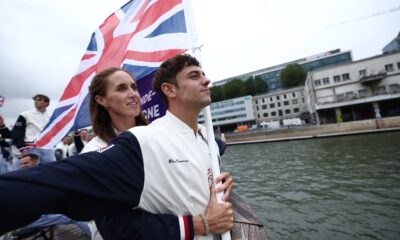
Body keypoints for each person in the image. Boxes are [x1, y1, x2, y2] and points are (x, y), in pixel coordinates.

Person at [0, 54, 233, 239]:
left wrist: (212, 172)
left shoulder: (176, 135)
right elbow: (115, 227)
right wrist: (200, 224)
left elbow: (193, 154)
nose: (133, 94)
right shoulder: (129, 145)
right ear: (102, 100)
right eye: (122, 89)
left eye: (133, 87)